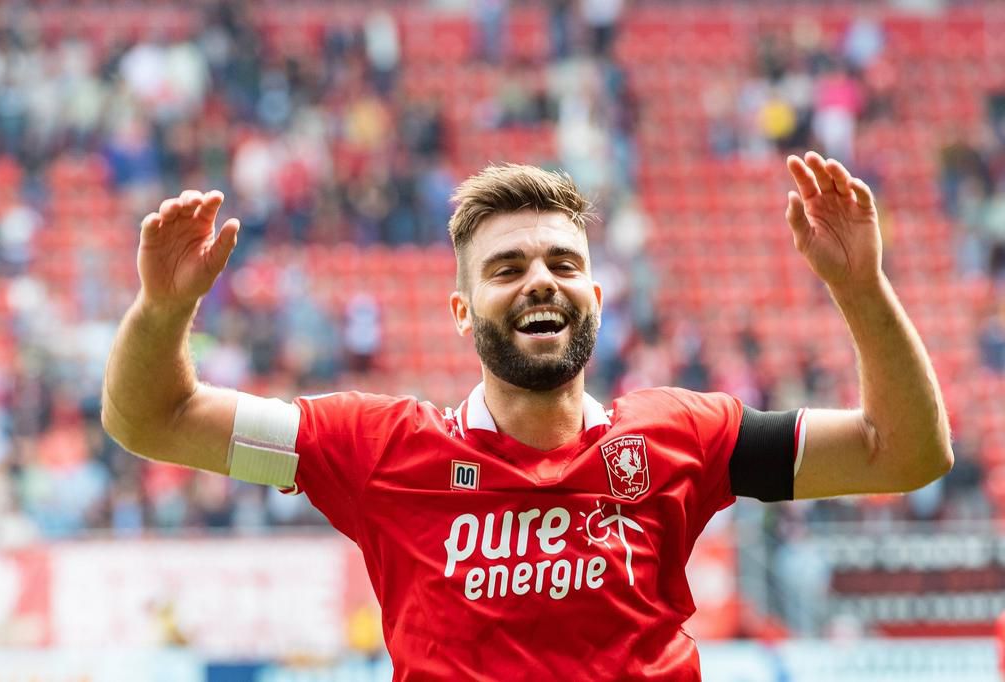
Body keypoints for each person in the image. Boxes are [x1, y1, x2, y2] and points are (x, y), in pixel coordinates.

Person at [102, 152, 953, 681]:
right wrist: (162, 310)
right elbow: (155, 419)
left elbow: (901, 455)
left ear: (595, 294)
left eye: (562, 262)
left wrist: (858, 285)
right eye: (506, 267)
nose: (540, 279)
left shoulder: (685, 437)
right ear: (462, 311)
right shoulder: (374, 450)